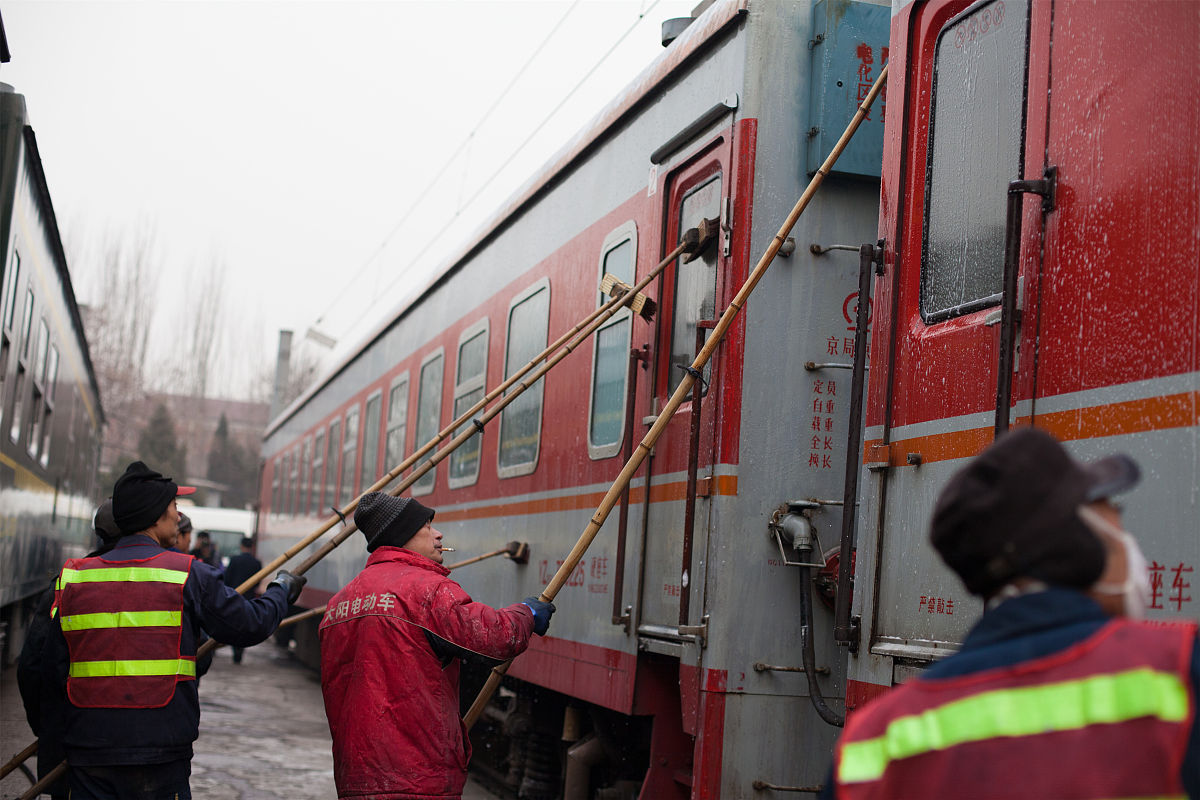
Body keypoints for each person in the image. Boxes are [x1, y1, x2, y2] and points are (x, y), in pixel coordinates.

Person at [825, 428, 1199, 799]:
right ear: (1081, 542)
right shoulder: (1180, 671)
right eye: (1112, 511)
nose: (1124, 534)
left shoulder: (872, 744)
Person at [45, 461, 307, 799]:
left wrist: (56, 745)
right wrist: (280, 591)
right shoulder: (187, 573)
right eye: (174, 507)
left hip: (88, 750)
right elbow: (249, 624)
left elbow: (52, 669)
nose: (177, 515)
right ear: (155, 516)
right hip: (159, 754)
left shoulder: (76, 577)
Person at [319, 491, 556, 799]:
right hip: (415, 778)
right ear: (401, 535)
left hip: (356, 777)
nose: (438, 533)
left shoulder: (338, 604)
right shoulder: (426, 591)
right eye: (427, 525)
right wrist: (526, 613)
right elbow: (494, 638)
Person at [17, 501, 123, 800]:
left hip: (67, 743)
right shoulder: (162, 583)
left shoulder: (66, 583)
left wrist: (46, 727)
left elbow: (32, 666)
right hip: (138, 755)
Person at [223, 537, 265, 663]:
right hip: (249, 599)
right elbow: (258, 583)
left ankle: (235, 650)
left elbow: (227, 579)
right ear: (252, 546)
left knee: (233, 625)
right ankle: (240, 652)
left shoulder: (234, 560)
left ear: (241, 546)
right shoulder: (256, 563)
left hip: (234, 597)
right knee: (244, 625)